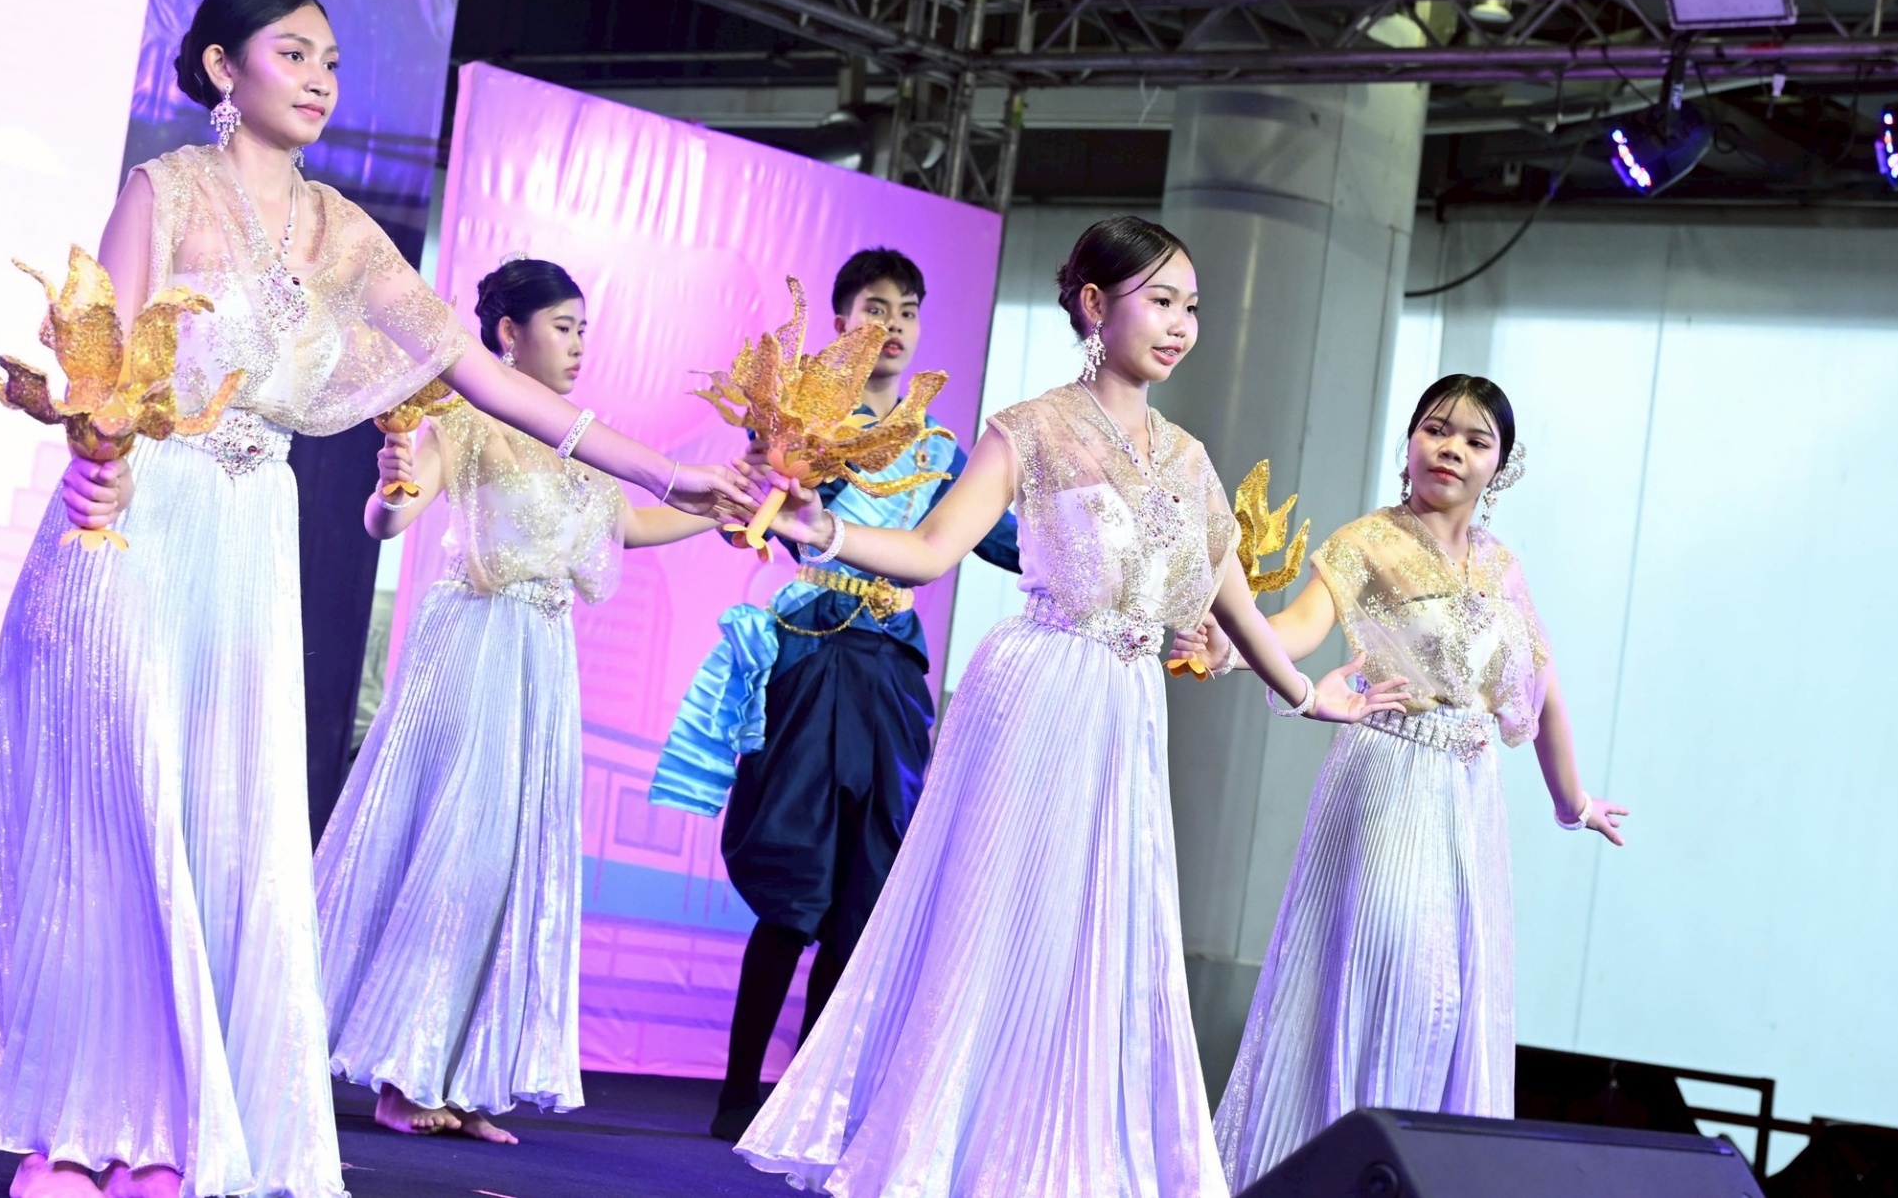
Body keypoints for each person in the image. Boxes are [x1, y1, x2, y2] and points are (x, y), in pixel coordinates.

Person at [0, 0, 752, 1198]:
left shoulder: (342, 232)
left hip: (250, 528)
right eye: (293, 53)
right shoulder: (166, 190)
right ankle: (82, 1126)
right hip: (145, 514)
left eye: (330, 59)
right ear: (222, 68)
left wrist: (669, 470)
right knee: (124, 810)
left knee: (227, 826)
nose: (320, 78)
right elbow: (102, 356)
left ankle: (182, 1126)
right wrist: (94, 465)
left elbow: (482, 375)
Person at [734, 216, 1410, 1198]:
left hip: (1126, 710)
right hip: (1035, 691)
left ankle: (1045, 1158)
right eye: (1160, 300)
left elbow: (1235, 604)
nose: (1180, 325)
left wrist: (1308, 694)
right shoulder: (1031, 427)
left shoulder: (1189, 458)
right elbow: (929, 551)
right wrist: (823, 529)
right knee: (998, 918)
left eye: (1191, 307)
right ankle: (941, 1150)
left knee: (1097, 932)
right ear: (1096, 304)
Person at [314, 257, 724, 1144]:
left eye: (583, 329)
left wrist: (729, 501)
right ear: (509, 331)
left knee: (507, 863)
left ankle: (457, 1075)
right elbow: (388, 519)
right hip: (474, 644)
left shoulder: (579, 439)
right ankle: (402, 1073)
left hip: (541, 655)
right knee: (456, 848)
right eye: (563, 326)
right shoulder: (461, 417)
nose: (578, 344)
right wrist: (390, 480)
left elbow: (632, 524)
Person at [1206, 374, 1628, 1187]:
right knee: (1384, 977)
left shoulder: (1502, 567)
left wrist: (1572, 801)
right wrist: (1231, 642)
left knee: (1450, 1001)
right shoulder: (1366, 541)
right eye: (1436, 429)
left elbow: (1543, 690)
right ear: (1408, 443)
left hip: (1469, 803)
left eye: (1475, 439)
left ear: (1500, 465)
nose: (1451, 449)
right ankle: (1341, 1170)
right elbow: (1296, 629)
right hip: (1387, 778)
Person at [650, 249, 1022, 1142]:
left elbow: (1006, 542)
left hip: (890, 674)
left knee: (864, 889)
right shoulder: (805, 423)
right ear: (841, 319)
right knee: (797, 883)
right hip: (812, 657)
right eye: (874, 308)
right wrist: (779, 479)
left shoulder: (940, 448)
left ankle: (806, 1098)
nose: (892, 326)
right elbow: (756, 519)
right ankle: (738, 1090)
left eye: (908, 311)